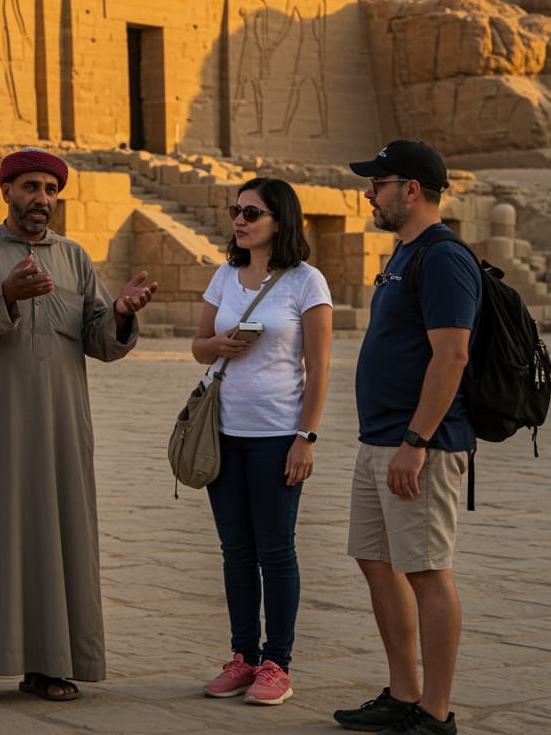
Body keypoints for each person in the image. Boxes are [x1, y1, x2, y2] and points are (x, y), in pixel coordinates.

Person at [0, 147, 158, 706]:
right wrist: (3, 294)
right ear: (6, 191)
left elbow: (100, 339)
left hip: (60, 432)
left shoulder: (75, 259)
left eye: (50, 190)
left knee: (60, 543)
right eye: (30, 187)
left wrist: (124, 312)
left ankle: (52, 664)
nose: (42, 199)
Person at [335, 140, 480, 735]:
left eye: (379, 182)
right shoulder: (402, 253)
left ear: (410, 189)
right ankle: (403, 692)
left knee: (426, 571)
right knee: (376, 560)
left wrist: (416, 443)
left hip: (420, 444)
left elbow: (452, 356)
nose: (370, 192)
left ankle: (435, 712)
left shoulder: (443, 257)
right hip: (382, 439)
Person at [192, 177, 332, 706]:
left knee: (276, 551)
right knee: (235, 551)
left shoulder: (305, 282)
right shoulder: (225, 275)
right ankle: (243, 656)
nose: (241, 221)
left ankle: (279, 664)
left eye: (252, 213)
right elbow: (199, 348)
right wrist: (220, 343)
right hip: (222, 434)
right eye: (237, 210)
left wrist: (306, 436)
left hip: (278, 436)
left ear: (280, 220)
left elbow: (318, 368)